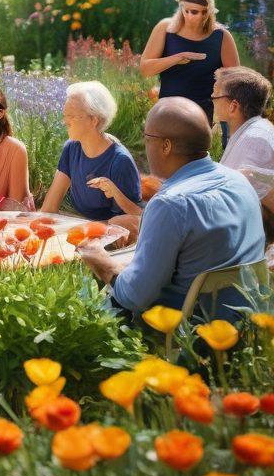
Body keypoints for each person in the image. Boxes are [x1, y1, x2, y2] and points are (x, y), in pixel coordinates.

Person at [81, 98, 265, 319]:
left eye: (147, 138)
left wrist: (104, 264)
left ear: (166, 146)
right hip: (246, 319)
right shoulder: (239, 181)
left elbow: (134, 297)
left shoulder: (170, 204)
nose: (145, 144)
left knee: (84, 297)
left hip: (188, 332)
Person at [140, 0, 239, 125]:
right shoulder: (165, 28)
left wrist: (223, 118)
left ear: (207, 13)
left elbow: (236, 82)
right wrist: (177, 58)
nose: (189, 16)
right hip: (168, 110)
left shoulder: (222, 37)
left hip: (204, 115)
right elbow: (145, 69)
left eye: (195, 12)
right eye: (185, 10)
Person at [41, 82, 142, 221]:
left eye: (72, 116)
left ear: (94, 119)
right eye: (65, 115)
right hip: (78, 228)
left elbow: (130, 222)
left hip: (109, 236)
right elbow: (49, 208)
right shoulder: (71, 148)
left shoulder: (120, 162)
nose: (66, 122)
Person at [213, 67, 274, 240]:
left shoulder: (255, 139)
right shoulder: (251, 130)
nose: (212, 99)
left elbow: (248, 190)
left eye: (216, 95)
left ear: (233, 106)